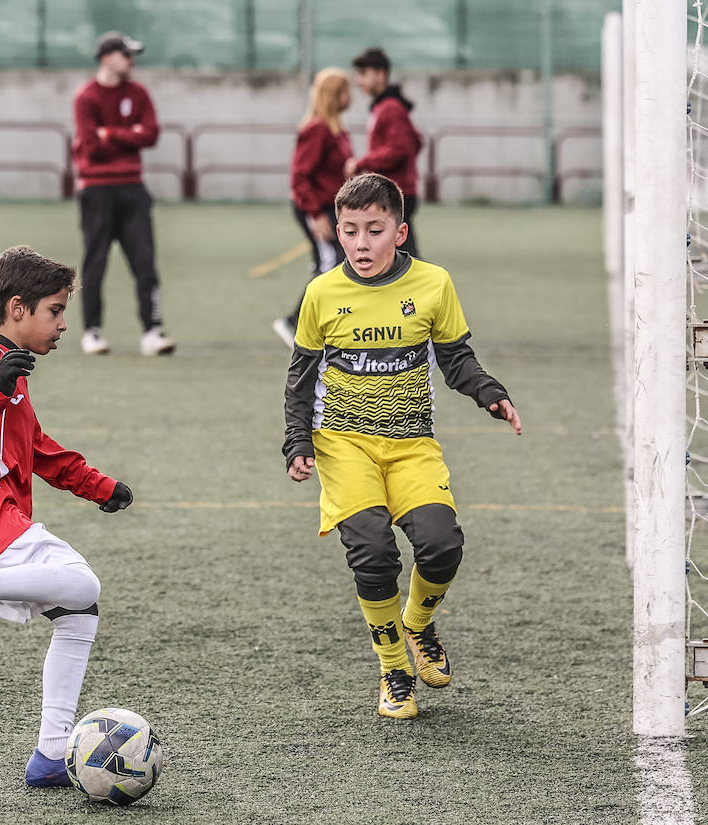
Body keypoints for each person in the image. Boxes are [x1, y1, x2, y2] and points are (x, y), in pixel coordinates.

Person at [281, 173, 521, 720]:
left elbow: (456, 358)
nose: (361, 244)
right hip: (343, 445)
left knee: (442, 544)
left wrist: (491, 393)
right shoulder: (321, 294)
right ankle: (393, 665)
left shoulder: (434, 285)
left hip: (412, 443)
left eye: (374, 230)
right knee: (373, 550)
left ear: (401, 232)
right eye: (350, 232)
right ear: (337, 235)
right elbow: (301, 376)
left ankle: (417, 622)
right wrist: (298, 441)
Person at [0, 245, 135, 786]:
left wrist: (98, 486)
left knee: (79, 615)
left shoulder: (8, 369)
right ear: (18, 309)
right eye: (55, 311)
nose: (62, 323)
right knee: (83, 582)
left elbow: (35, 447)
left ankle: (51, 755)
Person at [71, 31, 175, 357]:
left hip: (133, 189)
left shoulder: (139, 93)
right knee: (95, 263)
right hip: (97, 190)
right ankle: (92, 331)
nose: (131, 62)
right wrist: (129, 135)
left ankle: (153, 331)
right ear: (107, 58)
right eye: (126, 55)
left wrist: (111, 134)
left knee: (145, 262)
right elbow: (90, 146)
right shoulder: (86, 97)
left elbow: (151, 134)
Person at [273, 67, 355, 350]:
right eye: (346, 91)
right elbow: (300, 176)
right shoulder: (317, 129)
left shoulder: (336, 128)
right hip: (316, 207)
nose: (351, 97)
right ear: (334, 95)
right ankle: (293, 322)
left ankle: (327, 323)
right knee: (329, 264)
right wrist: (315, 214)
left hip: (333, 207)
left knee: (336, 263)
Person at [344, 47, 424, 258]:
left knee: (405, 256)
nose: (358, 79)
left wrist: (363, 162)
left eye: (363, 73)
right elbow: (415, 141)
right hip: (395, 190)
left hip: (397, 193)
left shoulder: (391, 108)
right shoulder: (384, 106)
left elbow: (401, 148)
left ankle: (427, 289)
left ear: (380, 74)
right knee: (400, 255)